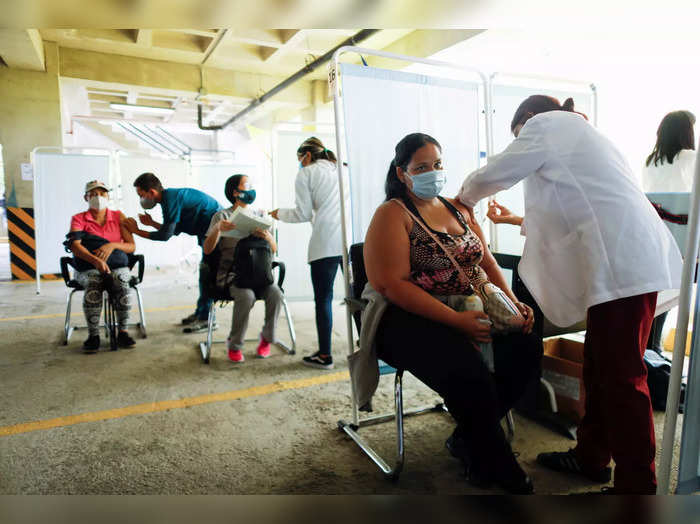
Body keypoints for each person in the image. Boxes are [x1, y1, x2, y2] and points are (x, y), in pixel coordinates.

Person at [458, 95, 683, 494]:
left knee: (622, 376)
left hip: (622, 266)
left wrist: (462, 201)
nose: (521, 142)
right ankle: (591, 457)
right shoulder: (587, 137)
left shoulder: (547, 126)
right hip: (626, 263)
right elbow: (565, 212)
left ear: (529, 119)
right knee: (599, 366)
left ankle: (638, 487)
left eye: (519, 135)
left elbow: (497, 172)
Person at [360, 133, 542, 494]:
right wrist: (456, 322)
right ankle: (493, 461)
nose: (433, 172)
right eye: (422, 167)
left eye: (437, 164)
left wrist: (511, 302)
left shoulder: (457, 207)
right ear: (402, 173)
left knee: (526, 347)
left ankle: (468, 437)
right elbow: (391, 284)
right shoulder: (392, 214)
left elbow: (485, 259)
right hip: (410, 317)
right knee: (465, 367)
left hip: (473, 306)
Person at [270, 137, 345, 370]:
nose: (300, 163)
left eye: (300, 159)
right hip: (352, 243)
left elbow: (302, 214)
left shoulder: (307, 173)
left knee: (324, 299)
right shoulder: (342, 168)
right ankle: (368, 349)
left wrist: (278, 213)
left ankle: (325, 356)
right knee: (359, 299)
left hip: (325, 243)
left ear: (307, 156)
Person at [124, 173, 221, 332]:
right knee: (204, 275)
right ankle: (201, 313)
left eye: (141, 195)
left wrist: (137, 231)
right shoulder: (168, 198)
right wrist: (151, 223)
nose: (142, 200)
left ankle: (208, 319)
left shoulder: (170, 199)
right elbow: (173, 230)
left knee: (208, 274)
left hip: (217, 234)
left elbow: (165, 236)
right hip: (208, 233)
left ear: (152, 193)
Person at [203, 174, 282, 362]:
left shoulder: (259, 216)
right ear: (235, 192)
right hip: (233, 274)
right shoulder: (221, 216)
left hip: (260, 274)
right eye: (247, 185)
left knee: (276, 294)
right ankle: (235, 343)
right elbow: (207, 249)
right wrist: (218, 229)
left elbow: (274, 250)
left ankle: (267, 339)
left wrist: (268, 238)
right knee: (247, 296)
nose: (251, 188)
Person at [642, 110, 696, 353]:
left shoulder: (649, 161)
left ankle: (650, 348)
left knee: (656, 300)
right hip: (685, 243)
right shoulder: (691, 158)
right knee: (673, 296)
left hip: (655, 240)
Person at [68, 180, 136, 353]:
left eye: (102, 193)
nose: (98, 197)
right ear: (86, 197)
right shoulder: (78, 218)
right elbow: (75, 246)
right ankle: (94, 335)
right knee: (94, 281)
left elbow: (131, 246)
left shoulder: (119, 216)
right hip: (88, 266)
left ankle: (123, 331)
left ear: (108, 196)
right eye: (93, 194)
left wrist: (111, 245)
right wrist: (95, 261)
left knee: (121, 280)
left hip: (116, 264)